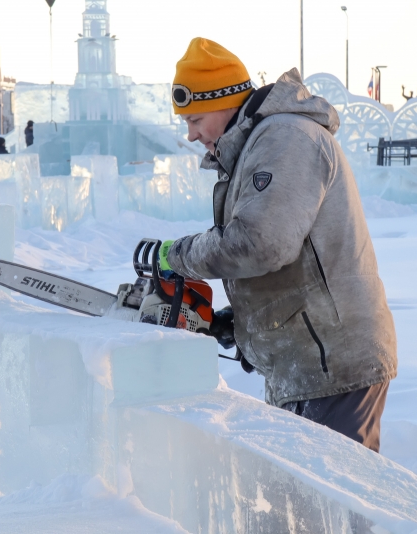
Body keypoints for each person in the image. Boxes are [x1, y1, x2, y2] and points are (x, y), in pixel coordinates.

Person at [159, 38, 397, 453]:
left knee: (332, 509)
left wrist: (178, 256)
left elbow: (262, 244)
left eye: (195, 119)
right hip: (308, 362)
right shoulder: (260, 144)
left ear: (225, 101)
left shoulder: (286, 138)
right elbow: (296, 262)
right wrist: (236, 321)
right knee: (308, 505)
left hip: (333, 363)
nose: (192, 134)